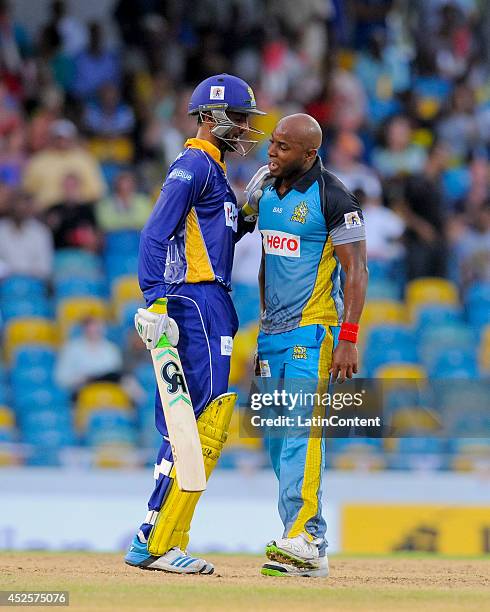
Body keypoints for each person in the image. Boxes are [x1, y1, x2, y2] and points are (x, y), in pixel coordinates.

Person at [124, 74, 264, 574]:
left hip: (212, 300)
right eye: (240, 118)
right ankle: (154, 539)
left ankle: (160, 536)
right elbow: (154, 234)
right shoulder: (193, 164)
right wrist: (156, 301)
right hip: (195, 301)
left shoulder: (216, 173)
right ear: (209, 117)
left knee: (199, 420)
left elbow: (218, 235)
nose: (247, 127)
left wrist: (247, 209)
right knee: (195, 419)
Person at [249, 114, 368, 577]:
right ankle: (303, 543)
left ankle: (305, 537)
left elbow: (357, 271)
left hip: (313, 332)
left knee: (302, 431)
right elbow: (260, 250)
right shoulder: (263, 187)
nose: (272, 153)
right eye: (272, 144)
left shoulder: (333, 197)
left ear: (309, 154)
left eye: (282, 147)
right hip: (269, 335)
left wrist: (347, 338)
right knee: (275, 441)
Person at [22, 119, 105, 210]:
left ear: (73, 138)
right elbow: (27, 191)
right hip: (45, 212)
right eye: (59, 138)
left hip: (78, 211)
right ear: (51, 138)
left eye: (66, 138)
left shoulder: (85, 159)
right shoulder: (38, 161)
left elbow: (97, 192)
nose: (62, 141)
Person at [55, 316, 123, 394]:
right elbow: (61, 378)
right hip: (82, 389)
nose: (95, 329)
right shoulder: (71, 349)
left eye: (98, 326)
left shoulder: (111, 349)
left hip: (109, 388)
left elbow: (116, 373)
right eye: (91, 326)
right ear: (84, 328)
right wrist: (81, 379)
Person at [0, 189, 53, 279]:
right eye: (16, 205)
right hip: (4, 282)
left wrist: (25, 276)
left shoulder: (41, 232)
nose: (19, 209)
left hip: (34, 283)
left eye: (24, 205)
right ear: (10, 206)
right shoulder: (1, 229)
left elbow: (44, 267)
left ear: (29, 208)